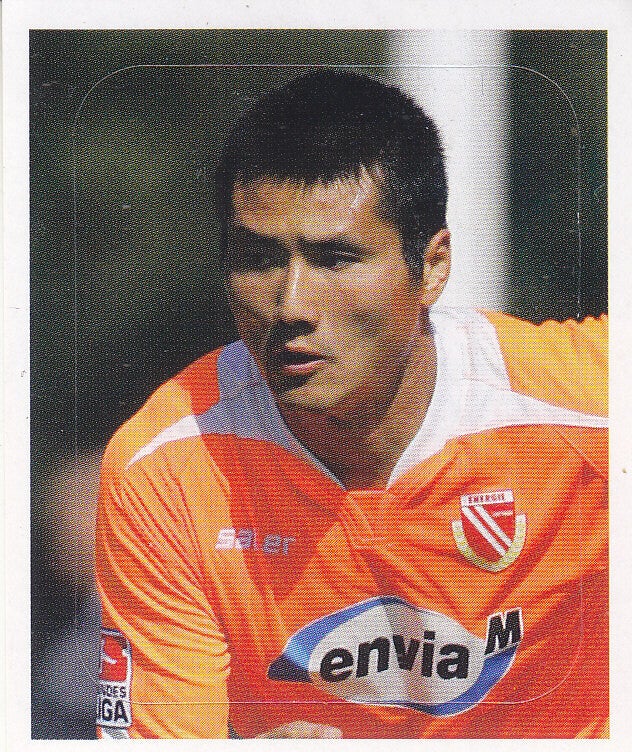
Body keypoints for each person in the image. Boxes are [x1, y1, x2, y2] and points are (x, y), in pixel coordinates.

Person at [95, 70, 608, 739]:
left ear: (432, 267)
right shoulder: (165, 471)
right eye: (258, 259)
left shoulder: (585, 404)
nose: (291, 305)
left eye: (335, 258)